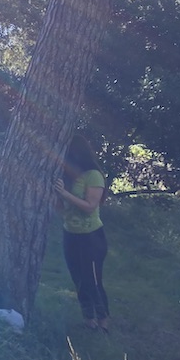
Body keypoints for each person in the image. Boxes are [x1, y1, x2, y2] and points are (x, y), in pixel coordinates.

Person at [53, 134, 109, 331]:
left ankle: (103, 321)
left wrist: (65, 194)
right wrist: (59, 200)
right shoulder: (67, 175)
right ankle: (88, 319)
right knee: (78, 279)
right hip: (71, 234)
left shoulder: (93, 175)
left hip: (91, 237)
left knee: (93, 280)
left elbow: (90, 206)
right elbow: (62, 207)